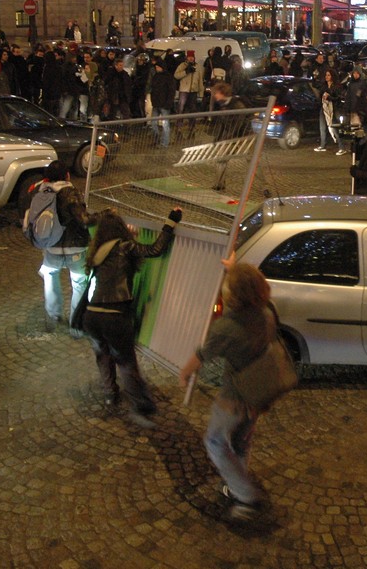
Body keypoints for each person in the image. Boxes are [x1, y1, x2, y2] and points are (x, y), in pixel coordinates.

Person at [178, 260, 277, 522]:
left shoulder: (227, 328)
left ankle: (246, 497)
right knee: (241, 441)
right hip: (259, 393)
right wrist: (234, 269)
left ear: (235, 295)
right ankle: (236, 484)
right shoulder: (266, 313)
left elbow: (203, 354)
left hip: (234, 398)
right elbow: (252, 283)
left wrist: (185, 372)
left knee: (215, 443)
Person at [82, 206, 182, 425]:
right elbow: (155, 250)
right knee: (126, 362)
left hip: (92, 316)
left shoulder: (98, 251)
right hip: (114, 315)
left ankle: (110, 396)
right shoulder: (125, 246)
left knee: (103, 356)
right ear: (120, 228)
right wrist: (171, 221)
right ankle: (141, 407)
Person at [31, 161, 95, 337]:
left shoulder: (43, 192)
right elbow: (84, 219)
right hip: (74, 248)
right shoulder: (70, 193)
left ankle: (53, 317)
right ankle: (76, 328)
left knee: (50, 279)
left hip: (51, 246)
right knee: (79, 283)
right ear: (67, 175)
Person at [148, 58, 175, 148]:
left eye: (158, 67)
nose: (156, 68)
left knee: (165, 125)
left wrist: (168, 103)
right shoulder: (156, 76)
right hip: (156, 104)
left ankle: (164, 143)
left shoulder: (168, 77)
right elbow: (152, 88)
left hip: (164, 105)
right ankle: (156, 141)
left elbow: (171, 91)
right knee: (153, 124)